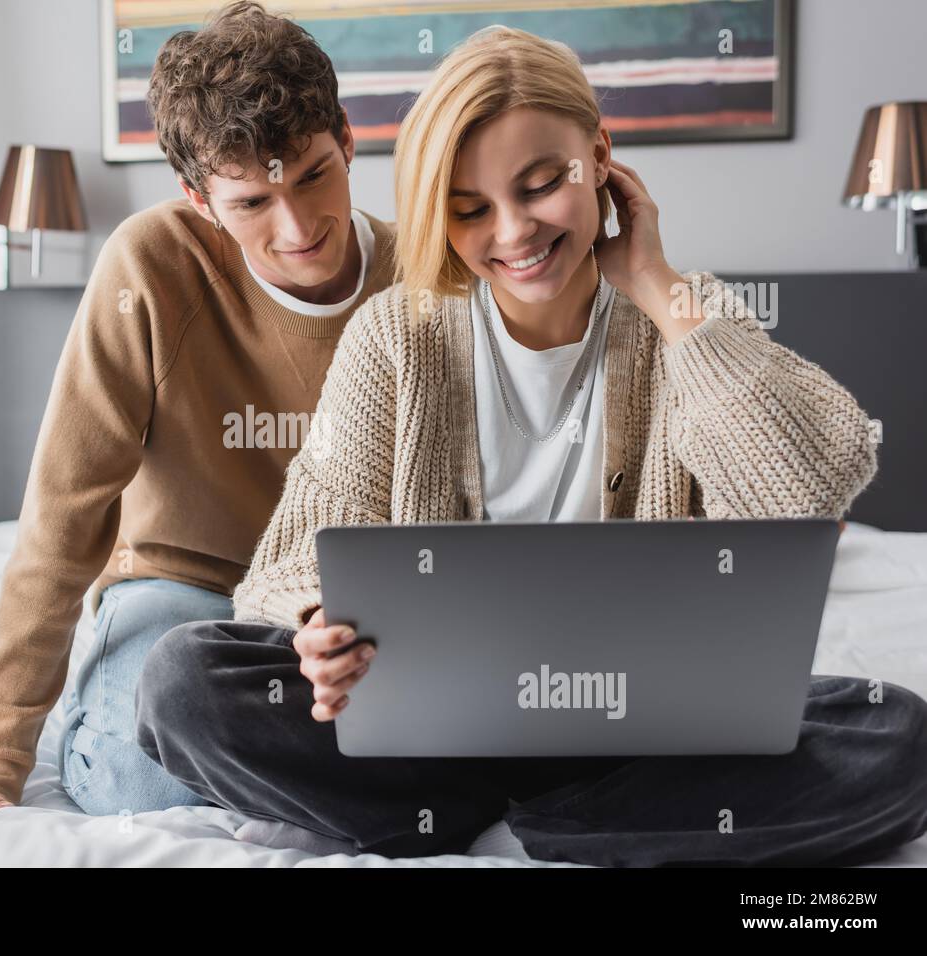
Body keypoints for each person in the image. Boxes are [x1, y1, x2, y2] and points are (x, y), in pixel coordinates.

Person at [133, 24, 927, 864]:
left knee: (899, 735)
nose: (513, 233)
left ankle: (522, 826)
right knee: (183, 681)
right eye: (470, 209)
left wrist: (658, 286)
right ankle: (564, 818)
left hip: (647, 734)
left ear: (601, 156)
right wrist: (315, 625)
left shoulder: (687, 318)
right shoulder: (395, 338)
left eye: (543, 184)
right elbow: (290, 557)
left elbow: (804, 489)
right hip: (437, 735)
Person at [0, 1, 397, 823]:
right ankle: (115, 709)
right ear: (200, 199)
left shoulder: (425, 274)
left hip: (344, 603)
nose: (298, 225)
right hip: (186, 593)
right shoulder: (151, 264)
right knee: (143, 781)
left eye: (314, 174)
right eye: (249, 203)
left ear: (347, 139)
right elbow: (61, 516)